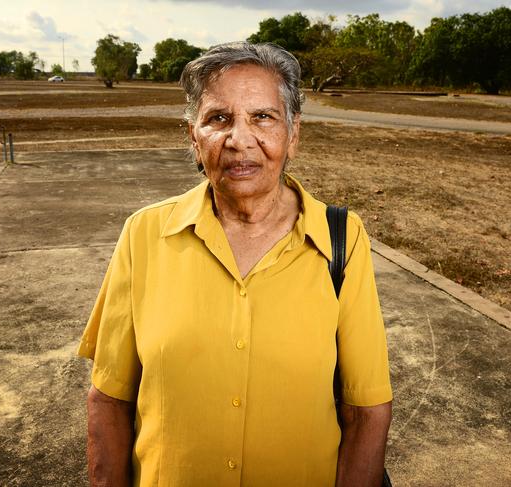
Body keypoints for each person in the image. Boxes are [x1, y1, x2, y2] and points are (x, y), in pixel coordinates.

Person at [78, 41, 392, 487]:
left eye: (262, 117)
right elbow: (109, 399)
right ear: (193, 135)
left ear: (293, 134)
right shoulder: (144, 234)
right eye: (218, 119)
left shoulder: (342, 238)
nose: (240, 139)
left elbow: (367, 409)